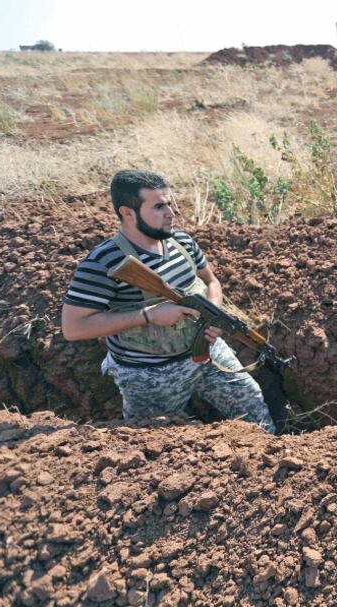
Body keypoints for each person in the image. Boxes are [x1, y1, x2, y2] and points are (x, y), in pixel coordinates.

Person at [61, 170, 275, 432]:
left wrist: (213, 314)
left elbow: (212, 282)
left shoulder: (182, 242)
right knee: (154, 438)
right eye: (159, 206)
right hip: (149, 375)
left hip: (208, 352)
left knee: (253, 407)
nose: (171, 213)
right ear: (128, 213)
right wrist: (148, 315)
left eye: (169, 204)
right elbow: (73, 328)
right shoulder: (104, 262)